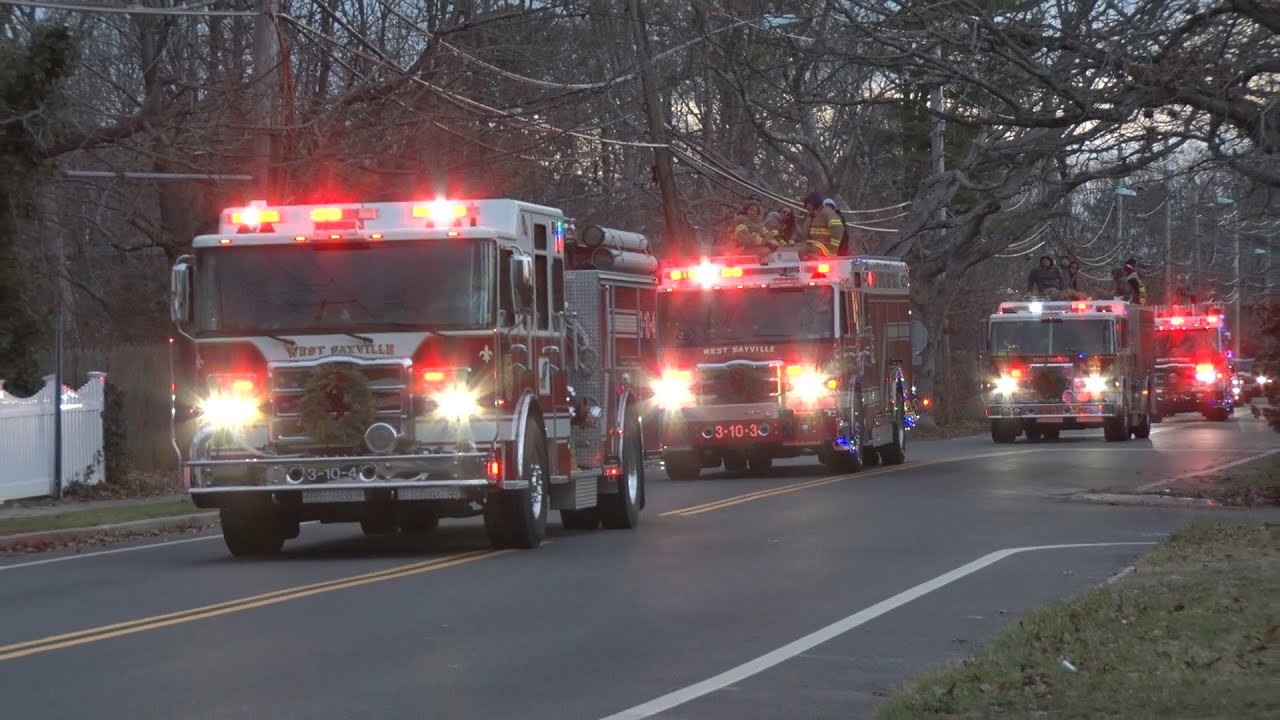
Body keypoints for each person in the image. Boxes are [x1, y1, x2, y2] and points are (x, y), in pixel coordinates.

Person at [800, 192, 846, 257]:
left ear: (815, 205)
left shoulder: (828, 213)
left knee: (800, 250)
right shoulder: (812, 216)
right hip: (814, 248)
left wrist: (832, 250)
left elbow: (838, 230)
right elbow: (805, 235)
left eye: (809, 209)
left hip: (824, 249)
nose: (808, 211)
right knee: (796, 249)